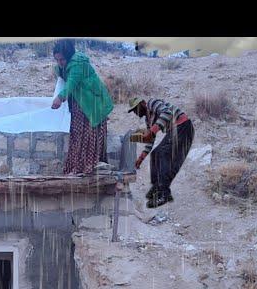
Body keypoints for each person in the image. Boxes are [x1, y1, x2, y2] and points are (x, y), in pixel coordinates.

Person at [51, 39, 114, 175]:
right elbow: (63, 74)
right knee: (78, 134)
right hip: (82, 103)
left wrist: (60, 98)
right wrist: (58, 69)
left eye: (61, 59)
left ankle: (88, 169)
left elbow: (71, 83)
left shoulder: (78, 64)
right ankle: (77, 168)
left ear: (68, 56)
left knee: (89, 135)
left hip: (92, 104)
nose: (59, 63)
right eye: (57, 60)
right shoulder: (68, 64)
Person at [127, 97, 195, 208]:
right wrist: (140, 159)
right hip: (176, 130)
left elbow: (167, 113)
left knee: (162, 153)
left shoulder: (152, 103)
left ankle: (164, 193)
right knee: (155, 154)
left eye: (136, 109)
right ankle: (157, 187)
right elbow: (150, 140)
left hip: (183, 126)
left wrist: (152, 130)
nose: (135, 113)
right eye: (133, 111)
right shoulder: (148, 119)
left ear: (143, 104)